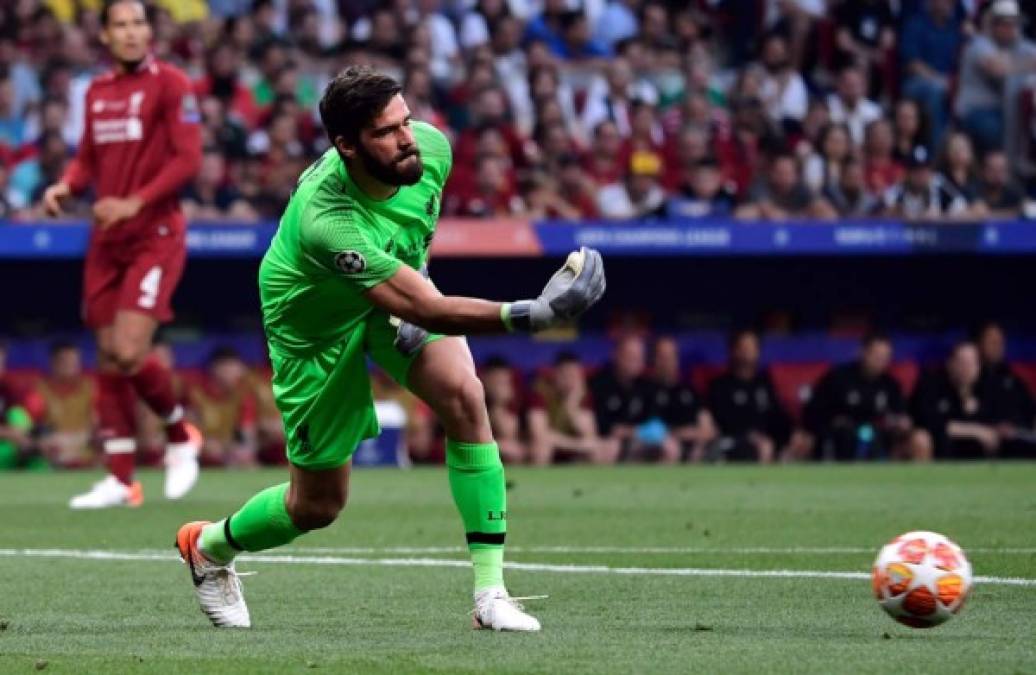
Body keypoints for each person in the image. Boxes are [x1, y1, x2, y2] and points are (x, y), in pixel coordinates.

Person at [174, 66, 606, 631]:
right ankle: (208, 547)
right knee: (318, 507)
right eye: (386, 132)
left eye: (405, 120)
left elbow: (414, 246)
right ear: (346, 145)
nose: (407, 138)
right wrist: (530, 314)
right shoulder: (325, 219)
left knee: (464, 396)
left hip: (386, 295)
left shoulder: (431, 150)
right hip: (312, 334)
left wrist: (414, 281)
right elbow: (425, 306)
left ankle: (490, 595)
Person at [41, 0, 203, 509]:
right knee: (109, 355)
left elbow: (188, 158)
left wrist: (135, 200)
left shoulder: (172, 84)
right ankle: (120, 478)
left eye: (139, 24)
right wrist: (66, 186)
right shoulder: (96, 91)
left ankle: (180, 436)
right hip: (106, 239)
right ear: (105, 36)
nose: (132, 33)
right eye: (121, 25)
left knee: (132, 350)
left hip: (154, 233)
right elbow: (88, 158)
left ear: (149, 32)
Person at [802, 333, 918, 461]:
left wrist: (901, 423)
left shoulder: (890, 384)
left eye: (885, 357)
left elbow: (900, 414)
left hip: (880, 438)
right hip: (840, 438)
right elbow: (814, 412)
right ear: (862, 353)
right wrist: (831, 422)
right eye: (877, 356)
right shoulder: (838, 378)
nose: (881, 362)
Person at [954, 0, 1036, 153]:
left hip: (1006, 111)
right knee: (995, 131)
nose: (1010, 29)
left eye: (1014, 24)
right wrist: (1028, 65)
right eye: (1005, 24)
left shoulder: (1018, 45)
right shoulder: (980, 43)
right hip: (977, 110)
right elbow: (997, 68)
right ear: (995, 26)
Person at [708, 330, 795, 463]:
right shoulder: (720, 386)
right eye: (743, 348)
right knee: (762, 447)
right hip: (732, 442)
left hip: (765, 440)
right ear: (733, 350)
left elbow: (777, 416)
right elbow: (721, 421)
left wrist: (793, 434)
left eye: (752, 348)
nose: (747, 352)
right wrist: (749, 436)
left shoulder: (764, 384)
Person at [590, 334, 678, 463]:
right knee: (611, 447)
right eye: (630, 357)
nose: (635, 362)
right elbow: (603, 426)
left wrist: (634, 432)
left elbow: (655, 424)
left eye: (639, 357)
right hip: (609, 441)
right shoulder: (600, 384)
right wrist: (630, 432)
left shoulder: (648, 386)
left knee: (670, 446)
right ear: (616, 355)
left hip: (639, 440)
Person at [911, 342, 1001, 459]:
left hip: (978, 454)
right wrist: (976, 431)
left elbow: (996, 423)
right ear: (950, 364)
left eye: (972, 363)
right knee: (921, 438)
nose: (967, 368)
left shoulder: (987, 388)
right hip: (941, 451)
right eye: (962, 363)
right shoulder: (932, 385)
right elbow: (932, 423)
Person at [526, 351, 604, 465]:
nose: (570, 380)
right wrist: (578, 445)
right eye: (565, 375)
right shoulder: (540, 393)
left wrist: (571, 404)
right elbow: (539, 434)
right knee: (542, 446)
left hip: (568, 446)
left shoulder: (583, 396)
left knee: (600, 450)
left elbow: (589, 435)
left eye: (574, 375)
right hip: (549, 447)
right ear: (555, 374)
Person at [647, 337, 716, 462]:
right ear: (654, 360)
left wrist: (698, 439)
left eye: (670, 357)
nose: (666, 362)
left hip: (693, 445)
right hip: (660, 445)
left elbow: (708, 427)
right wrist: (677, 434)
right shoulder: (645, 390)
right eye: (662, 357)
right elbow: (643, 427)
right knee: (670, 448)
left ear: (677, 360)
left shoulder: (690, 390)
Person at [36, 341, 96, 468]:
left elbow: (96, 424)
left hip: (84, 447)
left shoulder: (90, 389)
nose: (70, 366)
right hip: (52, 450)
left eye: (74, 362)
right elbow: (34, 426)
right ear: (53, 363)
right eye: (65, 362)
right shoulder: (39, 390)